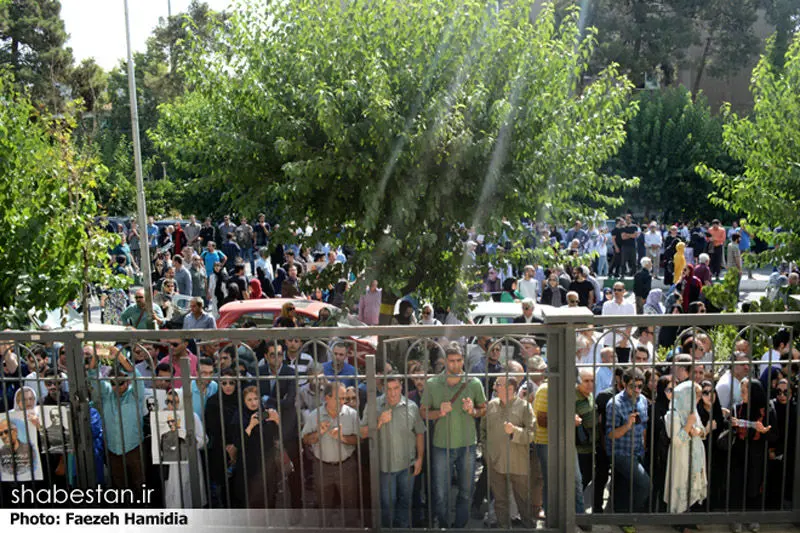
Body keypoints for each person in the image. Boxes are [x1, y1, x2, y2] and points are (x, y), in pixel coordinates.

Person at [420, 342, 487, 529]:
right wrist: (438, 412)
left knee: (466, 491)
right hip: (441, 445)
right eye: (451, 361)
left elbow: (484, 409)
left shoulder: (473, 383)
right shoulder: (433, 384)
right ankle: (443, 525)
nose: (455, 365)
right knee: (441, 492)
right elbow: (423, 412)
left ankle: (459, 526)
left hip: (467, 445)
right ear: (445, 361)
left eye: (458, 360)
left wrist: (472, 411)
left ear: (463, 360)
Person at [359, 376, 425, 528]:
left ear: (401, 387)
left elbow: (420, 433)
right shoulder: (374, 406)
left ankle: (402, 528)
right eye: (389, 389)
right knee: (387, 503)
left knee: (405, 501)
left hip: (407, 465)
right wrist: (379, 422)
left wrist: (420, 458)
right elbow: (362, 433)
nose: (393, 393)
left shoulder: (411, 406)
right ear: (383, 389)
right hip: (385, 467)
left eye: (396, 388)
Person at [481, 375, 536, 528]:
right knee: (500, 501)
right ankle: (504, 528)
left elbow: (532, 434)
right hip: (495, 462)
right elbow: (483, 431)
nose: (494, 387)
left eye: (498, 384)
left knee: (523, 500)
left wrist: (514, 432)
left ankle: (528, 526)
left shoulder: (524, 407)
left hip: (518, 462)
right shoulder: (491, 405)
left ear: (510, 389)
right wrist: (486, 453)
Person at [301, 382, 361, 526]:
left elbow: (359, 440)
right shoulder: (315, 415)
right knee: (324, 506)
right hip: (322, 468)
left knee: (350, 505)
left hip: (346, 467)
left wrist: (342, 438)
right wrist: (319, 433)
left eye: (344, 398)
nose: (343, 402)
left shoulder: (352, 414)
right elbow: (306, 440)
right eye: (339, 398)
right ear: (327, 398)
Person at [728, 379, 777, 533]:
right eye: (741, 391)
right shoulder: (737, 408)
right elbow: (729, 426)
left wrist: (764, 432)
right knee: (737, 485)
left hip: (757, 454)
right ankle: (736, 519)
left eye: (745, 391)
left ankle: (753, 517)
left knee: (755, 486)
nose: (741, 394)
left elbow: (774, 434)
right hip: (739, 453)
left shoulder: (767, 410)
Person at [605, 367, 650, 514]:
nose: (637, 390)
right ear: (624, 384)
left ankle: (623, 514)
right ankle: (631, 514)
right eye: (632, 386)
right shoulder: (615, 404)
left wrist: (644, 447)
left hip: (638, 451)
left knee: (626, 487)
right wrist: (627, 425)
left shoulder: (643, 400)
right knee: (645, 484)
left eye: (640, 386)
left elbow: (644, 426)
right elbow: (610, 434)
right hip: (621, 453)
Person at [664, 379, 707, 526]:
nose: (698, 400)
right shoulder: (673, 414)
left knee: (693, 488)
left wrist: (698, 431)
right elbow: (677, 441)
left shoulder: (692, 411)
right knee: (681, 487)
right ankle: (678, 523)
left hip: (695, 455)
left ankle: (690, 520)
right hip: (681, 457)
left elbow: (703, 430)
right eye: (696, 396)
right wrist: (688, 425)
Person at [232, 386, 281, 508]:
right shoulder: (239, 416)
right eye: (249, 400)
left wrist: (277, 421)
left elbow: (278, 436)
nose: (253, 402)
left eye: (256, 398)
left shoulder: (266, 413)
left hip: (267, 462)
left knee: (268, 495)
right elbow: (238, 443)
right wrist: (250, 426)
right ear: (244, 401)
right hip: (248, 464)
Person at [602, 282, 635, 363]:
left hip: (625, 343)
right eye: (614, 290)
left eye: (619, 290)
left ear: (624, 291)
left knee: (622, 366)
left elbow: (631, 324)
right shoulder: (606, 305)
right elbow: (606, 322)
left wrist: (625, 340)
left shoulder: (630, 305)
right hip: (609, 341)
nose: (616, 292)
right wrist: (621, 333)